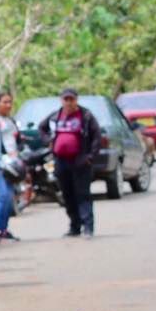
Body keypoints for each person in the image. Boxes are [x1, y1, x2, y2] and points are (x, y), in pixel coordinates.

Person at [39, 88, 101, 238]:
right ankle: (75, 226)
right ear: (61, 100)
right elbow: (42, 128)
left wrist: (90, 156)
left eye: (71, 99)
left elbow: (96, 136)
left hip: (80, 161)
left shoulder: (85, 116)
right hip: (61, 161)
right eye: (65, 99)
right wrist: (49, 142)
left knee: (82, 194)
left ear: (76, 100)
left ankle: (88, 226)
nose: (68, 103)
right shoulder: (55, 116)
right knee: (67, 195)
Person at [0, 91, 21, 242]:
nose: (8, 105)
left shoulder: (10, 121)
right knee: (3, 195)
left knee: (9, 196)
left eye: (10, 102)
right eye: (4, 102)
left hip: (12, 164)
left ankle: (4, 228)